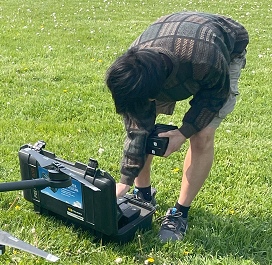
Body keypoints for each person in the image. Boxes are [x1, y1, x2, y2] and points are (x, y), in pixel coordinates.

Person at [105, 12, 248, 242]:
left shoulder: (206, 60)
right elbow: (137, 130)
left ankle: (180, 213)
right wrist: (124, 181)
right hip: (172, 42)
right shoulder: (133, 68)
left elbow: (213, 98)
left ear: (155, 91)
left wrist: (184, 132)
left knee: (202, 135)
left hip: (222, 48)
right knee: (145, 130)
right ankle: (143, 196)